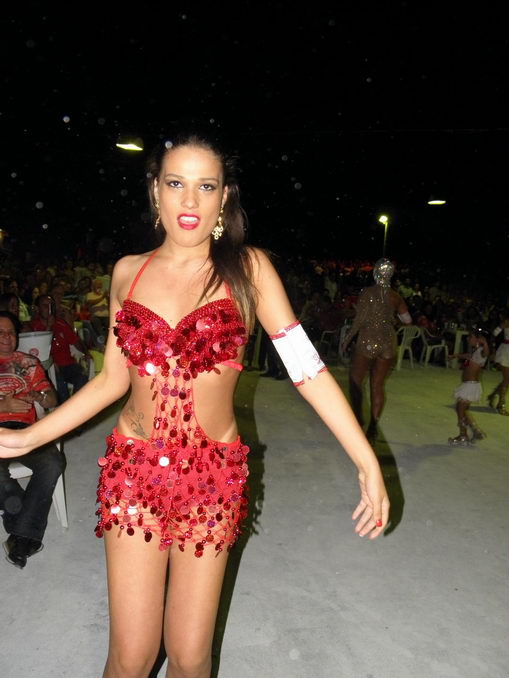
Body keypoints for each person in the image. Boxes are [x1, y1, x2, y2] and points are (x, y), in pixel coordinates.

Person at [0, 133, 388, 678]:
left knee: (188, 656)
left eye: (206, 186)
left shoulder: (249, 270)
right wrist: (27, 437)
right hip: (133, 473)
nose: (189, 200)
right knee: (130, 658)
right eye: (175, 183)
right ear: (155, 192)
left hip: (211, 479)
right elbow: (112, 379)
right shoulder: (127, 272)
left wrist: (366, 460)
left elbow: (308, 370)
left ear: (224, 197)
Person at [0, 311, 65, 569]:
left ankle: (18, 533)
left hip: (27, 430)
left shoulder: (28, 362)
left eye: (11, 332)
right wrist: (3, 405)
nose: (7, 337)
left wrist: (38, 397)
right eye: (1, 332)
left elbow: (52, 399)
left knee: (52, 462)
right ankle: (25, 535)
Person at [342, 258, 411, 440]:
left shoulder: (367, 292)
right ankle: (373, 427)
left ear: (375, 273)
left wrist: (347, 339)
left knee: (355, 380)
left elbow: (359, 319)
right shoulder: (396, 296)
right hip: (388, 342)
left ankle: (358, 418)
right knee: (377, 385)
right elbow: (408, 320)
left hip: (368, 339)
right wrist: (391, 319)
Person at [30, 295, 91, 403]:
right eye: (45, 306)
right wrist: (49, 327)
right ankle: (64, 408)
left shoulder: (61, 323)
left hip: (67, 364)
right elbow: (40, 351)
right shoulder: (33, 326)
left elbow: (75, 341)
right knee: (59, 382)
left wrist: (86, 353)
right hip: (48, 367)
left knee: (82, 377)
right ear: (38, 309)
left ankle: (75, 405)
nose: (49, 309)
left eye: (51, 306)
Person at [447, 330, 489, 444]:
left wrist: (485, 343)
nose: (467, 339)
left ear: (478, 339)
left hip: (470, 386)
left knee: (460, 409)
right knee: (462, 409)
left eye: (470, 337)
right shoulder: (476, 351)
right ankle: (475, 431)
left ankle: (463, 435)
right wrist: (455, 356)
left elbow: (486, 353)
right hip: (468, 385)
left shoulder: (481, 351)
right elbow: (467, 355)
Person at [487, 312, 509, 415]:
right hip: (506, 352)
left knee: (507, 380)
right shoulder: (507, 321)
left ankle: (492, 396)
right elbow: (494, 334)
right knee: (507, 379)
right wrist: (493, 349)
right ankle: (501, 405)